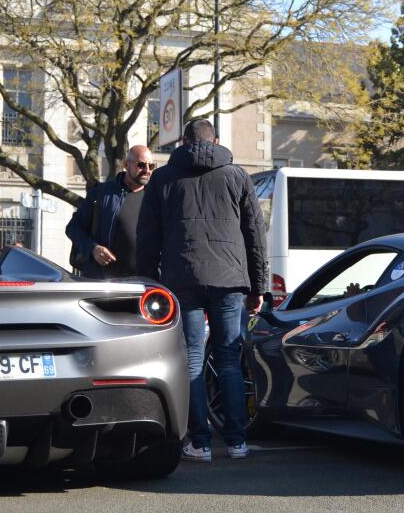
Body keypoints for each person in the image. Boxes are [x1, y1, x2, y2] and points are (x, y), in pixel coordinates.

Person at [137, 118, 268, 462]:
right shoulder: (237, 176)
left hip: (183, 278)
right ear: (217, 140)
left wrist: (148, 283)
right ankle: (237, 441)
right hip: (230, 279)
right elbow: (255, 235)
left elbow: (147, 236)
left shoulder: (164, 178)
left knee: (192, 358)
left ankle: (201, 442)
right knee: (228, 359)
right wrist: (259, 287)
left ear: (182, 141)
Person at [66, 145, 156, 279]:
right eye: (141, 165)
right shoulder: (102, 193)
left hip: (145, 283)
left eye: (151, 166)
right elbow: (73, 228)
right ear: (126, 164)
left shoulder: (156, 197)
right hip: (105, 282)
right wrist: (93, 249)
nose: (147, 170)